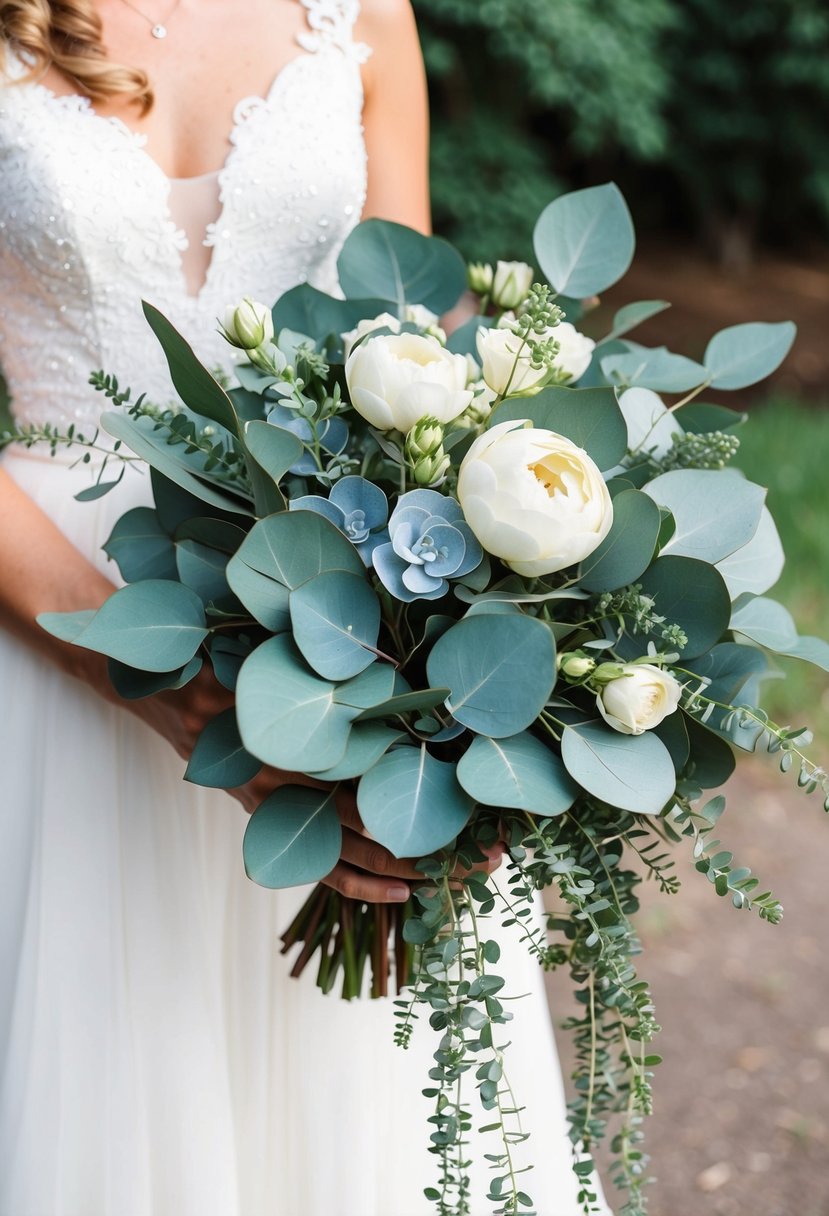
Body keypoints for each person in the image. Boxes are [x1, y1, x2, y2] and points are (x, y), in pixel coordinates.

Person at [0, 2, 611, 1212]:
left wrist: (455, 688)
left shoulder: (359, 12)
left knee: (361, 1096)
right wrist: (136, 669)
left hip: (333, 607)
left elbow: (421, 353)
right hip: (40, 608)